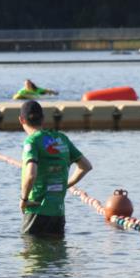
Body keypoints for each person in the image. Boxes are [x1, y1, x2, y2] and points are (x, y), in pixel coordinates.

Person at [18, 100, 92, 238]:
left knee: (31, 255)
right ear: (43, 118)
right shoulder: (61, 139)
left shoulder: (31, 141)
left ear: (21, 120)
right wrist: (65, 185)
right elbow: (86, 166)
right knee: (58, 256)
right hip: (58, 213)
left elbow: (31, 174)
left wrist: (24, 199)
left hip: (36, 211)